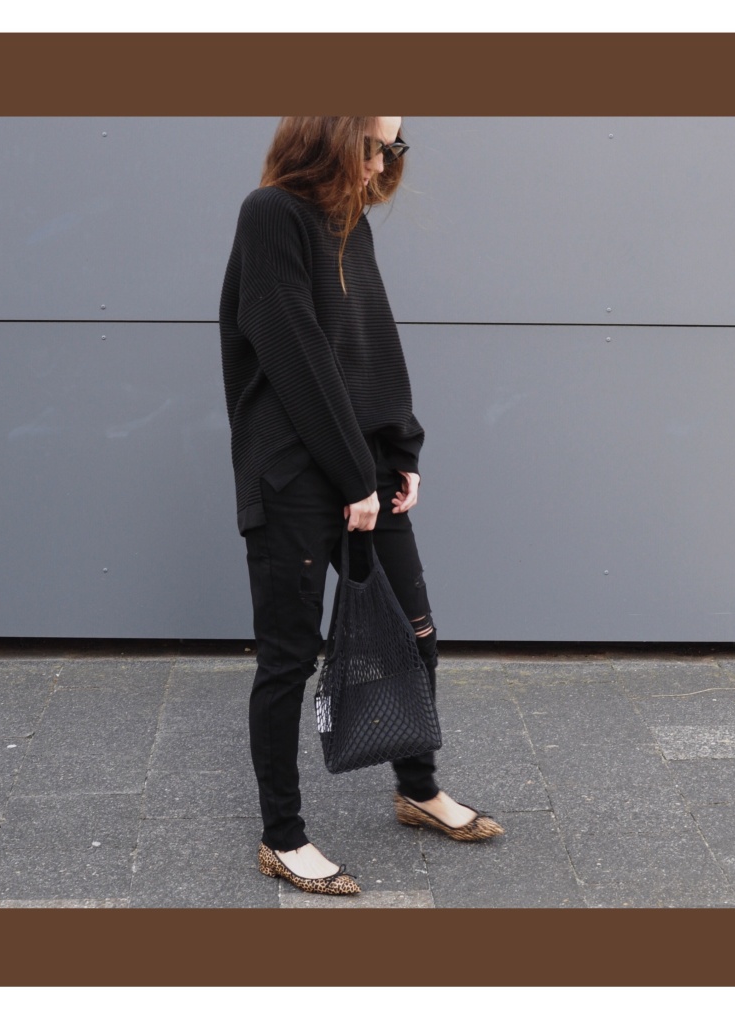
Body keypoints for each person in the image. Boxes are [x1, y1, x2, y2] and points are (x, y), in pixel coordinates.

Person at [219, 116, 503, 897]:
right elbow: (297, 355)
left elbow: (370, 343)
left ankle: (417, 788)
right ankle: (283, 837)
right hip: (294, 474)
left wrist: (400, 450)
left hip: (362, 468)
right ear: (328, 135)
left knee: (416, 636)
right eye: (373, 146)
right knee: (288, 656)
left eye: (392, 147)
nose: (382, 164)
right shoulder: (270, 215)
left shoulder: (350, 225)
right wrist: (354, 479)